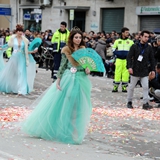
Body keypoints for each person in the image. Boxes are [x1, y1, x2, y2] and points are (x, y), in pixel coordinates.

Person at [22, 27, 92, 144]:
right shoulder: (66, 50)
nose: (78, 39)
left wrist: (87, 69)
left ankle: (75, 131)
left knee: (78, 107)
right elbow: (63, 66)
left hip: (81, 79)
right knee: (66, 106)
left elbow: (86, 64)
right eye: (76, 37)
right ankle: (64, 130)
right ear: (72, 38)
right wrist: (58, 80)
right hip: (69, 78)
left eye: (80, 37)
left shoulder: (84, 50)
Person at [0, 24, 36, 95]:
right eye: (19, 31)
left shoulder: (25, 40)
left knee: (21, 73)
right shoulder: (13, 39)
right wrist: (1, 48)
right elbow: (7, 45)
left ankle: (21, 89)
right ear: (16, 32)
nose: (20, 32)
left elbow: (26, 50)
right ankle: (10, 86)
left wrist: (32, 51)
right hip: (14, 57)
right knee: (11, 72)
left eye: (21, 31)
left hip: (21, 58)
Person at [126, 30, 155, 110]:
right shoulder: (134, 46)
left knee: (146, 87)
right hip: (135, 69)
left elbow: (152, 59)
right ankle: (129, 101)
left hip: (145, 70)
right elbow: (129, 57)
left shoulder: (149, 47)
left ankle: (145, 103)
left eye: (148, 37)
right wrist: (129, 67)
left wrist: (153, 70)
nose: (146, 38)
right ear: (140, 37)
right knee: (132, 87)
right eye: (145, 36)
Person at [112, 27, 134, 92]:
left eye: (128, 32)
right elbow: (113, 49)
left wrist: (131, 55)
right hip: (118, 59)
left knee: (126, 73)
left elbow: (134, 50)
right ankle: (115, 87)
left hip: (126, 60)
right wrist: (117, 53)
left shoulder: (130, 42)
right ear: (122, 33)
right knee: (117, 73)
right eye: (126, 32)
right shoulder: (117, 41)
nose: (128, 34)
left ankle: (124, 87)